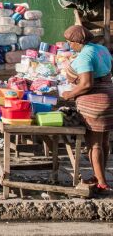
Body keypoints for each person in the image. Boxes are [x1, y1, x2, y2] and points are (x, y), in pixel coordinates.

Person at [59, 25, 113, 192]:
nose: (69, 45)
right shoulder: (101, 49)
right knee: (103, 141)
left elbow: (86, 84)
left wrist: (69, 94)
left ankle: (102, 183)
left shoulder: (84, 57)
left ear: (77, 42)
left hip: (95, 102)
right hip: (108, 95)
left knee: (94, 145)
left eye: (69, 42)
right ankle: (98, 176)